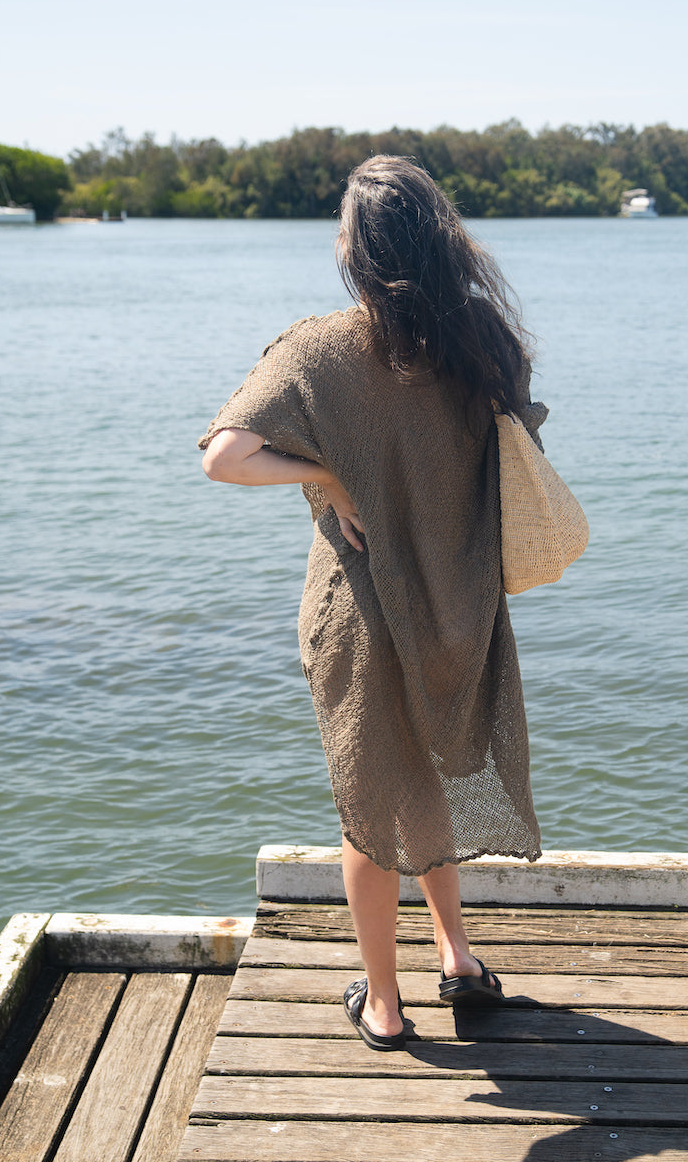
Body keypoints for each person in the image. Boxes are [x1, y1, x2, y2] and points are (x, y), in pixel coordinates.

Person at [199, 156, 547, 1050]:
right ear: (443, 242)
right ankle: (457, 959)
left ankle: (384, 1005)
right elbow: (517, 446)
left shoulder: (319, 351)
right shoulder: (482, 342)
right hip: (458, 604)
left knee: (373, 804)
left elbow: (225, 458)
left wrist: (328, 473)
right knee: (422, 782)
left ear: (356, 251)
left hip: (362, 610)